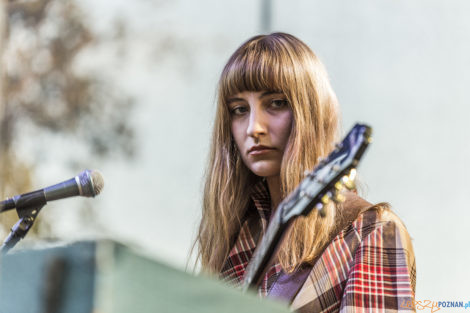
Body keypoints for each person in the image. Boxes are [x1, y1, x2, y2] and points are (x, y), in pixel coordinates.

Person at [194, 32, 416, 312]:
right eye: (239, 109)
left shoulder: (370, 232)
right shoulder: (240, 231)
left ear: (311, 112)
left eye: (276, 103)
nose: (253, 128)